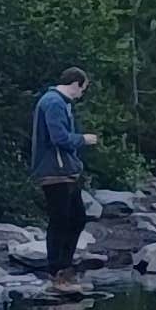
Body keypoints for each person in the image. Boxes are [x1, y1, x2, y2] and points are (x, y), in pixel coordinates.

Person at [32, 66, 94, 291]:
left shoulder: (58, 102)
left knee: (76, 218)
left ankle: (63, 268)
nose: (82, 94)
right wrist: (83, 139)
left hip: (65, 172)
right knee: (60, 221)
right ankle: (57, 270)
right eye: (83, 89)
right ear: (75, 84)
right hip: (54, 172)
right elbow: (59, 138)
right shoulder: (54, 103)